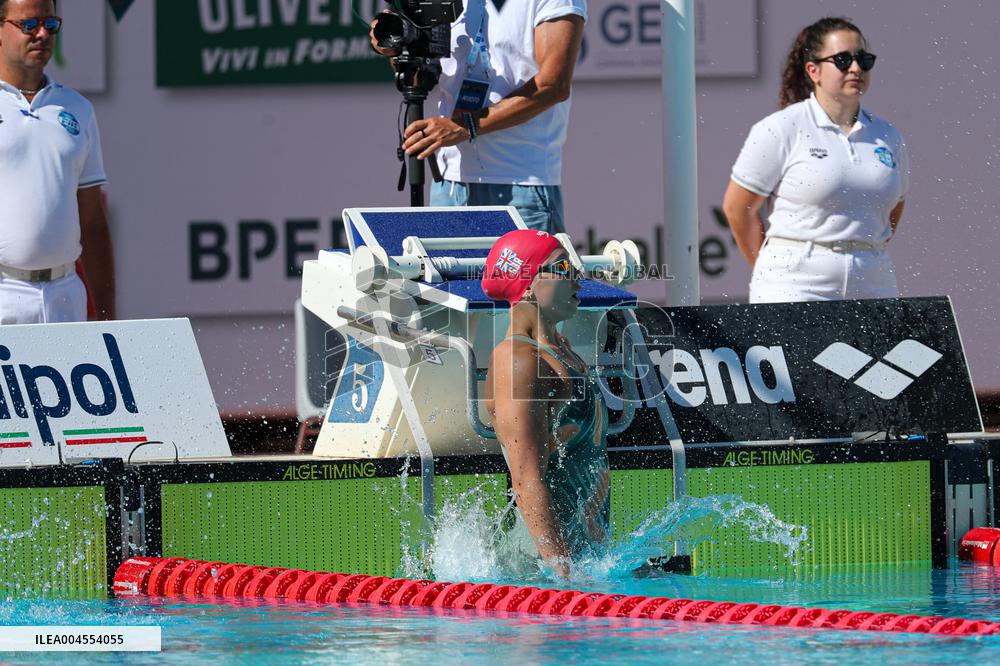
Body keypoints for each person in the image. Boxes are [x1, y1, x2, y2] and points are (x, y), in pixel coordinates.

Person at [723, 17, 907, 303]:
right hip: (795, 283)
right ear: (813, 70)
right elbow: (737, 208)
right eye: (843, 60)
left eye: (864, 59)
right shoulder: (781, 128)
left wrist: (858, 250)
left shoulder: (888, 135)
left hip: (873, 279)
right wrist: (774, 269)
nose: (856, 68)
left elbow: (892, 210)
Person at [370, 0, 586, 234]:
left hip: (522, 183)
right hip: (450, 184)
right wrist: (397, 44)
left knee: (529, 263)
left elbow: (553, 86)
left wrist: (466, 126)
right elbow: (418, 71)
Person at [482, 229, 609, 577]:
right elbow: (526, 480)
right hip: (539, 572)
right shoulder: (518, 360)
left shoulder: (560, 350)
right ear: (527, 284)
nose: (578, 277)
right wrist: (565, 574)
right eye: (563, 267)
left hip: (583, 559)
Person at [0, 0, 114, 324]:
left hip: (65, 294)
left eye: (50, 25)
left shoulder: (77, 108)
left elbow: (93, 223)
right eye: (29, 25)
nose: (42, 34)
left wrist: (107, 317)